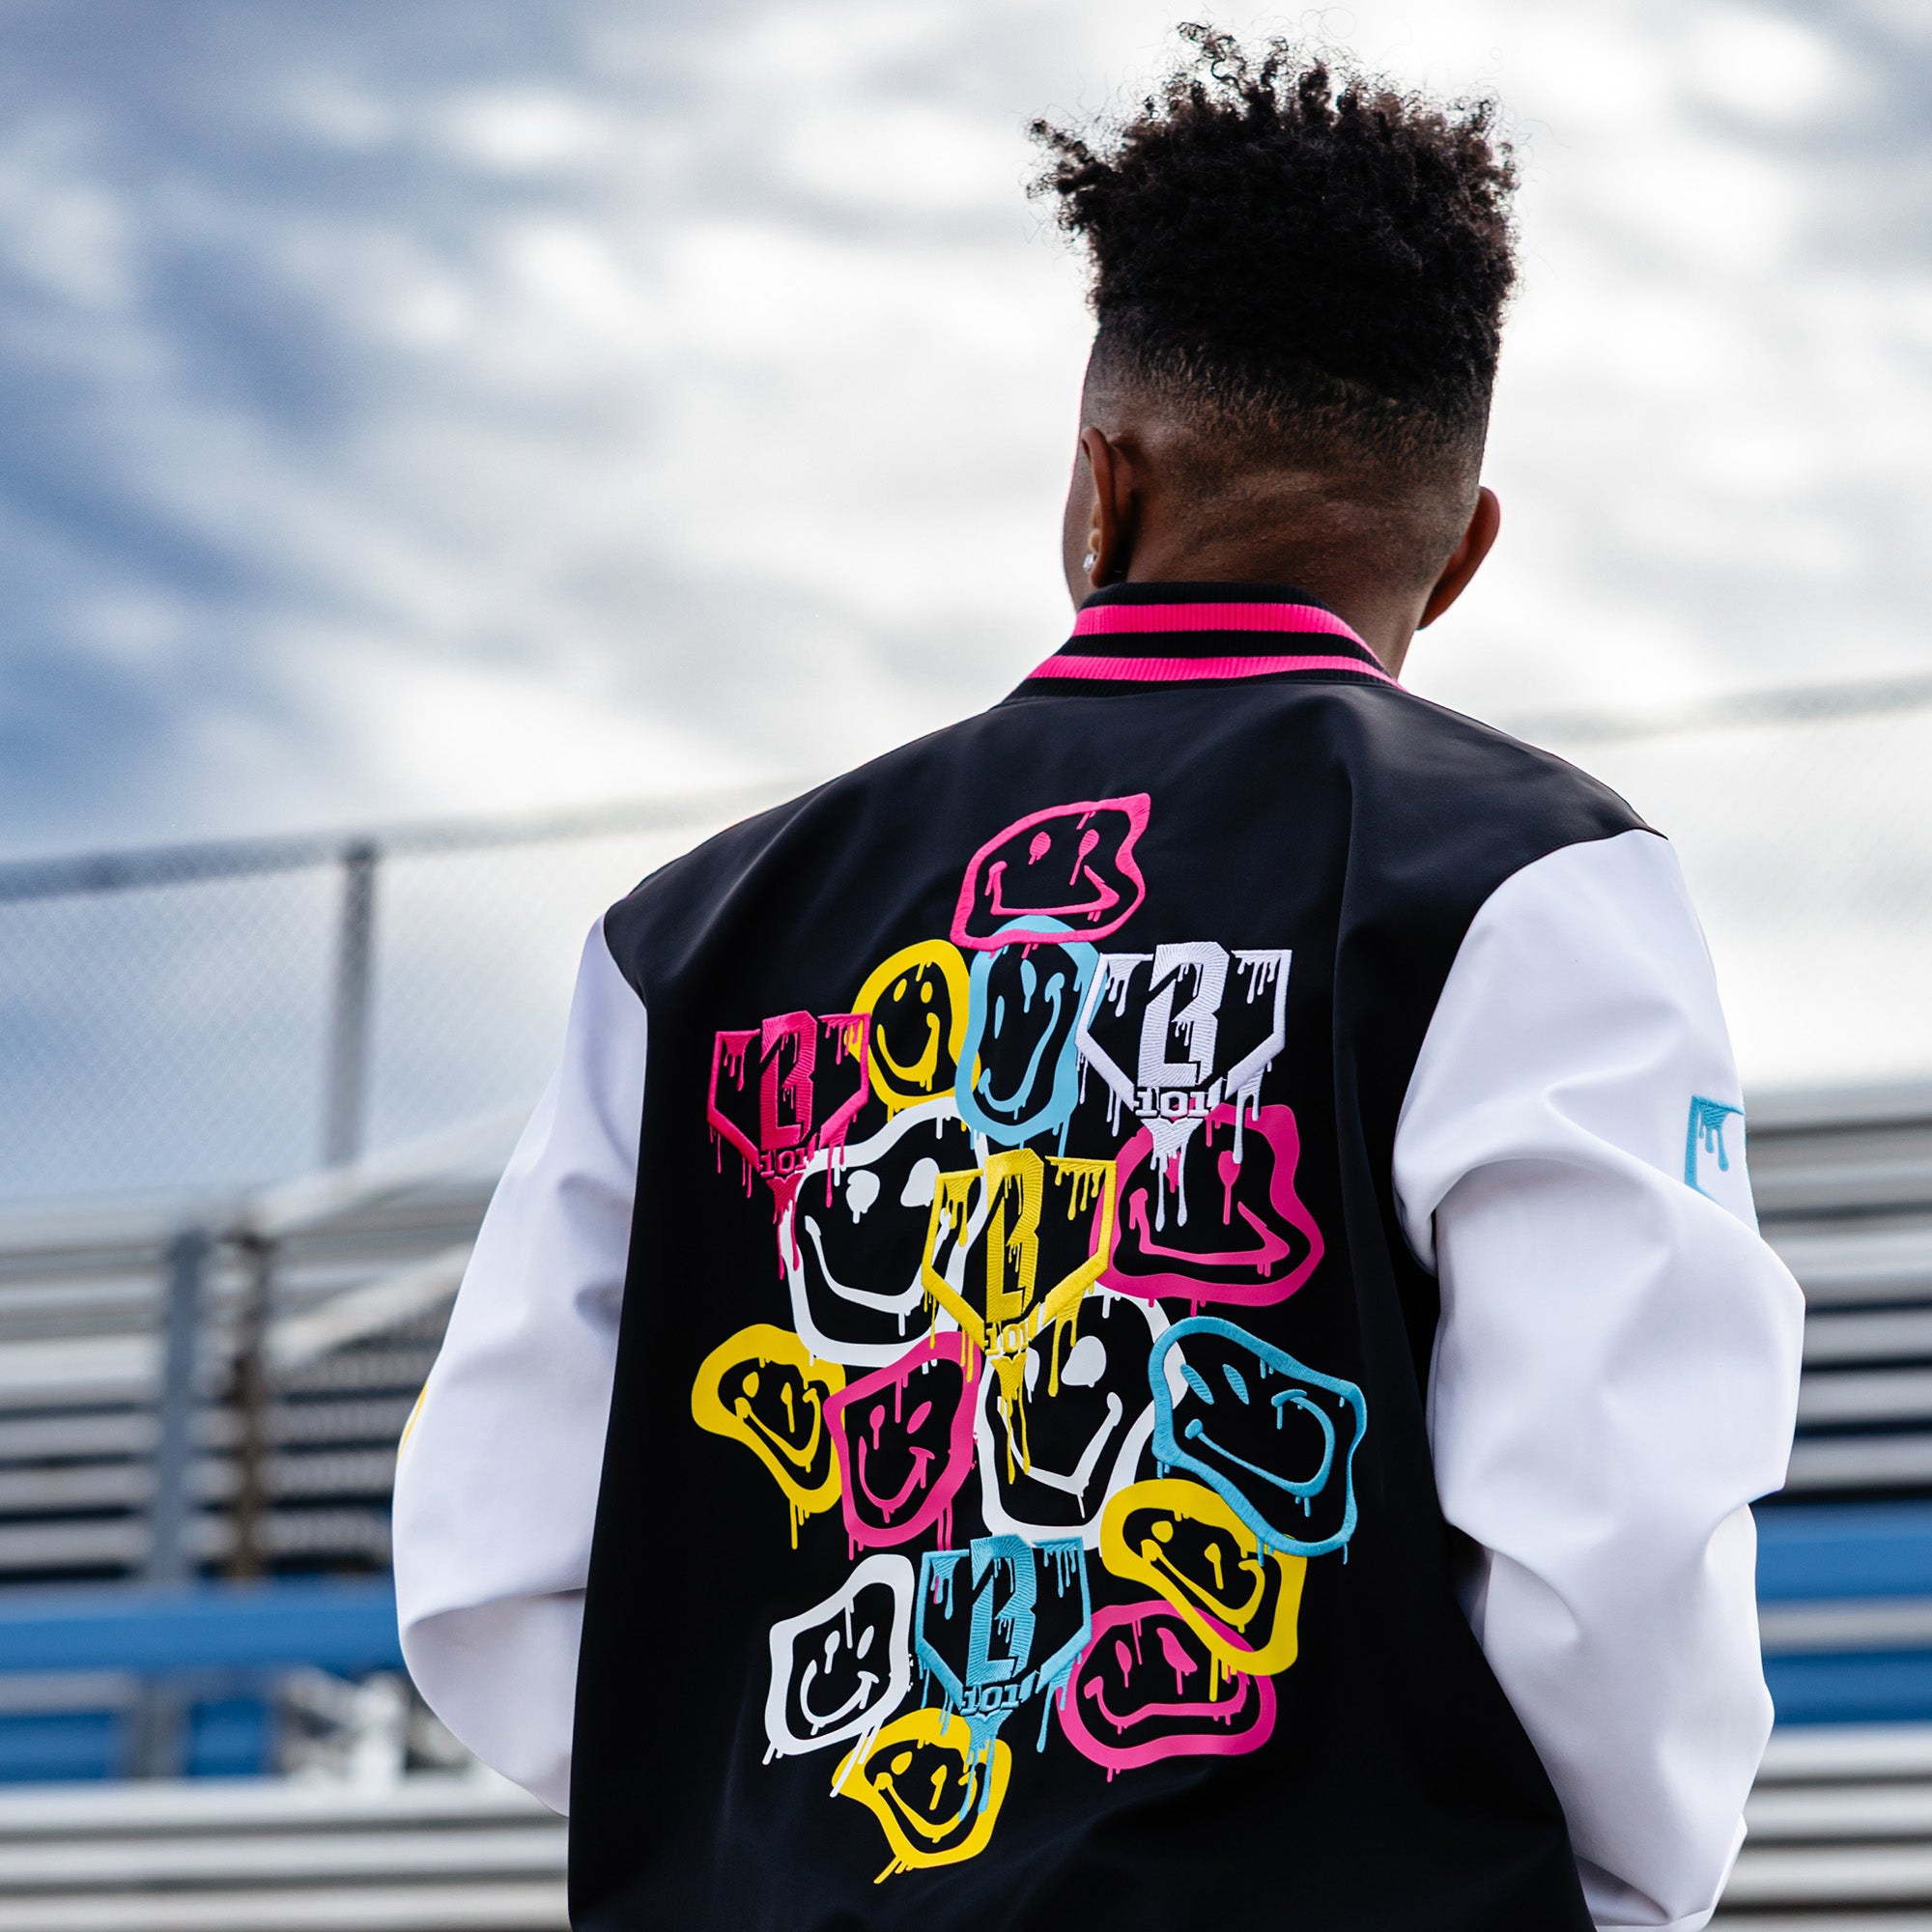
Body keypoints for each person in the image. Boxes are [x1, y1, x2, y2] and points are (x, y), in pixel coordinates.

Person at [392, 30, 1804, 1932]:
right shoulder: (1525, 877)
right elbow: (1612, 1538)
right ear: (1458, 552)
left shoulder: (687, 935)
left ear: (1098, 481)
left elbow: (490, 1572)